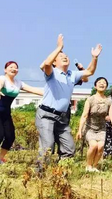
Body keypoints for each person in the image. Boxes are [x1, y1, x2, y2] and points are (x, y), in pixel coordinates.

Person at [36, 34, 102, 167]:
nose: (65, 57)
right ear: (55, 61)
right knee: (47, 147)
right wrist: (59, 47)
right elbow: (47, 63)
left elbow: (89, 72)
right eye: (61, 56)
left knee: (69, 148)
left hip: (62, 118)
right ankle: (41, 175)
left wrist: (94, 57)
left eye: (66, 56)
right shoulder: (51, 72)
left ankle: (59, 175)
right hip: (46, 115)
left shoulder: (72, 75)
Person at [0, 61, 44, 167]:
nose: (13, 69)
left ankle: (1, 159)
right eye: (11, 67)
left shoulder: (18, 83)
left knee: (10, 136)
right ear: (5, 70)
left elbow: (33, 90)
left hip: (6, 112)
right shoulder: (2, 79)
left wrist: (48, 94)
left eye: (16, 68)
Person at [76, 77, 112, 172]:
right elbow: (84, 115)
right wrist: (80, 130)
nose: (102, 84)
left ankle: (94, 166)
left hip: (101, 129)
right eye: (99, 82)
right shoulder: (90, 100)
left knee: (100, 146)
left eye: (104, 83)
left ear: (106, 87)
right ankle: (88, 166)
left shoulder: (108, 101)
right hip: (90, 128)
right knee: (93, 145)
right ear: (95, 86)